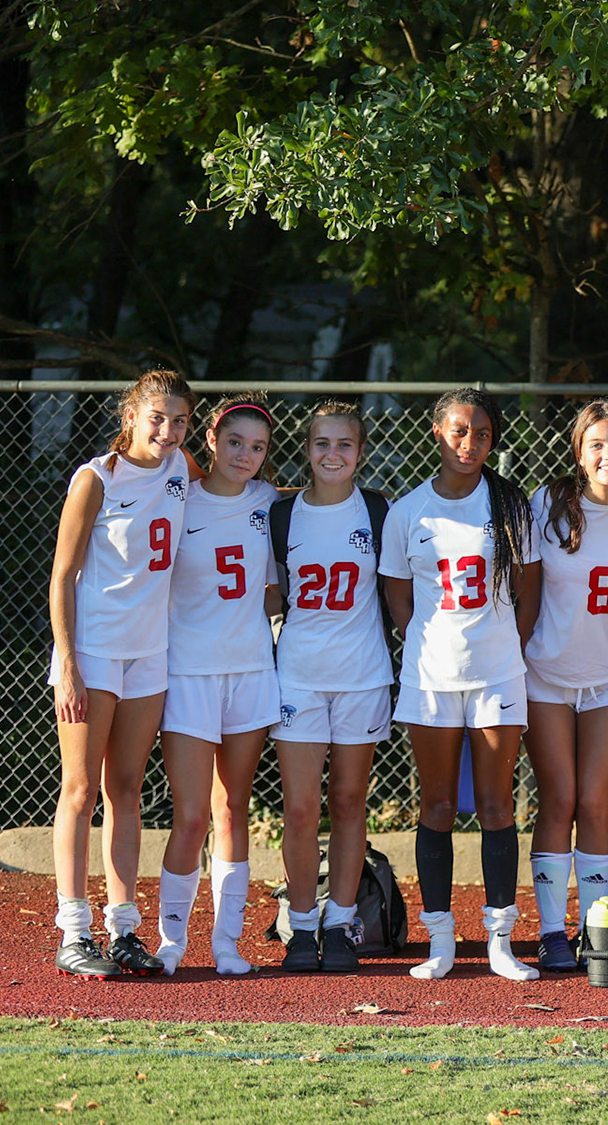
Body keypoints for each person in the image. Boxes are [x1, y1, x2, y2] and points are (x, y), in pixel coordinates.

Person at [379, 388, 540, 981]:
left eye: (480, 434)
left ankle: (501, 939)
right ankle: (440, 939)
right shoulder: (408, 511)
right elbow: (398, 595)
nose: (468, 443)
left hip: (498, 673)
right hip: (431, 677)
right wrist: (429, 640)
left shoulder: (510, 506)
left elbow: (531, 586)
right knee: (439, 804)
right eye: (457, 430)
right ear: (436, 431)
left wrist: (505, 646)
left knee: (497, 805)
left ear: (492, 440)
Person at [45, 369, 196, 978]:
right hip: (95, 651)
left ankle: (123, 928)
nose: (167, 430)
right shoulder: (96, 479)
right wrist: (69, 661)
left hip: (150, 654)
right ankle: (73, 931)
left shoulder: (182, 467)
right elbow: (61, 576)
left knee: (127, 790)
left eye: (179, 420)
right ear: (131, 414)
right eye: (156, 417)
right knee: (80, 790)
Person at [149, 396, 281, 976]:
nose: (244, 456)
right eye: (234, 443)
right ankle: (171, 940)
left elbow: (278, 590)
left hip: (251, 671)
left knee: (233, 809)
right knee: (191, 815)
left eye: (257, 447)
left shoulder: (272, 503)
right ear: (210, 439)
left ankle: (226, 942)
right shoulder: (179, 500)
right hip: (188, 673)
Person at [521, 400, 608, 971]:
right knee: (559, 798)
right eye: (598, 444)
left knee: (594, 800)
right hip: (546, 672)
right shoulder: (547, 503)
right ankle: (552, 931)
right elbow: (525, 585)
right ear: (579, 452)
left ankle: (594, 927)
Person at [270, 401, 393, 974]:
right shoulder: (281, 515)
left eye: (344, 444)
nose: (332, 454)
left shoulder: (377, 511)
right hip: (298, 674)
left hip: (362, 676)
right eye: (322, 444)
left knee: (348, 802)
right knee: (299, 808)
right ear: (307, 449)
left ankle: (341, 922)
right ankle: (300, 925)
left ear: (360, 452)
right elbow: (272, 595)